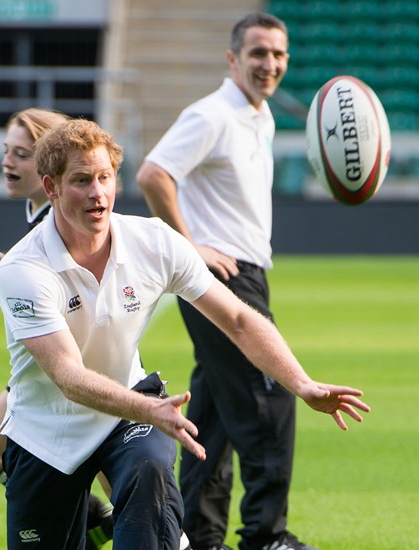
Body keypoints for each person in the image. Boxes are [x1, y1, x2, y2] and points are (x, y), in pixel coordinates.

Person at [0, 118, 369, 549]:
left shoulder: (154, 240)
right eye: (81, 180)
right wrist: (150, 409)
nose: (98, 193)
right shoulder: (23, 268)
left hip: (126, 416)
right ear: (51, 187)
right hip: (46, 434)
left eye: (105, 177)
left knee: (151, 471)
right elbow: (68, 377)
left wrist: (301, 383)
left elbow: (239, 319)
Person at [135, 12, 315, 550]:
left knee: (213, 413)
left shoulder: (260, 116)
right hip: (224, 276)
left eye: (278, 54)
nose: (270, 64)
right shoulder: (212, 114)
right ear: (233, 59)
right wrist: (192, 246)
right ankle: (266, 537)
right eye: (258, 53)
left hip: (243, 271)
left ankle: (199, 535)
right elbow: (153, 174)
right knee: (269, 399)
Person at [0, 108, 115, 549]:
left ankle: (167, 536)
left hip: (89, 364)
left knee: (129, 485)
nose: (7, 162)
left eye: (21, 154)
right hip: (48, 365)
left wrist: (2, 272)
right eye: (6, 152)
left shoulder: (68, 214)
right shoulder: (38, 212)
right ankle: (92, 521)